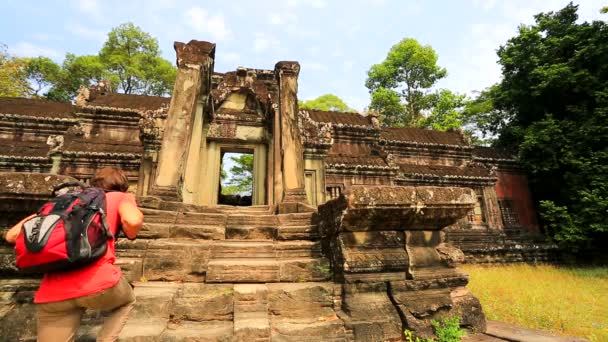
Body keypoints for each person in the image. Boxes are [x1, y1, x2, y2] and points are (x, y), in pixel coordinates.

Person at [2, 167, 144, 342]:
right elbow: (132, 220)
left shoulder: (65, 202)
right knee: (127, 299)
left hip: (52, 294)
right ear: (122, 186)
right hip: (100, 285)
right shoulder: (120, 197)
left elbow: (12, 235)